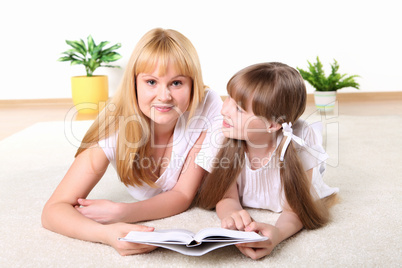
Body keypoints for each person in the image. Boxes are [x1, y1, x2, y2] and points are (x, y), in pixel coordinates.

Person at [41, 28, 223, 256]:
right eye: (151, 82)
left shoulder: (207, 106)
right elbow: (53, 210)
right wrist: (107, 234)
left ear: (193, 85)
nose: (164, 96)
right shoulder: (115, 126)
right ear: (134, 83)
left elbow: (183, 195)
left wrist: (123, 212)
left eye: (176, 83)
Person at [195, 62, 339, 260]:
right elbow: (225, 196)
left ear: (272, 124)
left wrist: (277, 233)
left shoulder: (299, 141)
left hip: (296, 155)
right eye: (229, 97)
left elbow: (296, 209)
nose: (224, 110)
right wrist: (233, 213)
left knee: (312, 153)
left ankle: (318, 150)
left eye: (238, 108)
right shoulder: (221, 133)